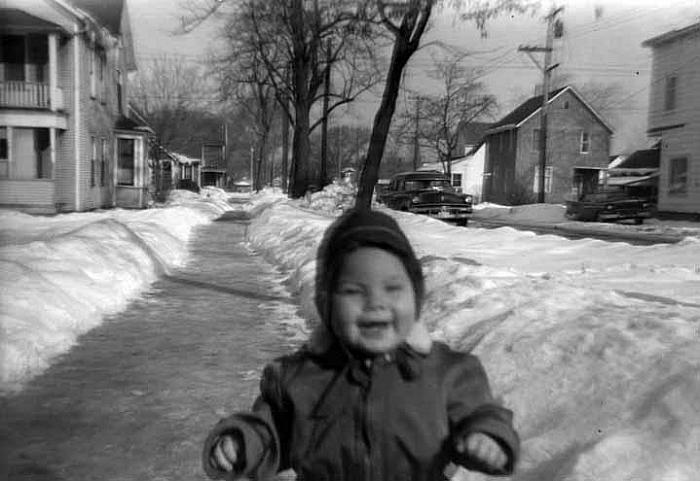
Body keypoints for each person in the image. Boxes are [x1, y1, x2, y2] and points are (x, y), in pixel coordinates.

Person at [202, 208, 519, 480]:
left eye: (393, 288)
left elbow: (481, 413)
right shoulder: (299, 378)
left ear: (416, 295)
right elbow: (269, 432)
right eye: (354, 291)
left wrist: (487, 436)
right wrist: (243, 441)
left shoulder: (447, 375)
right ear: (327, 303)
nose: (376, 303)